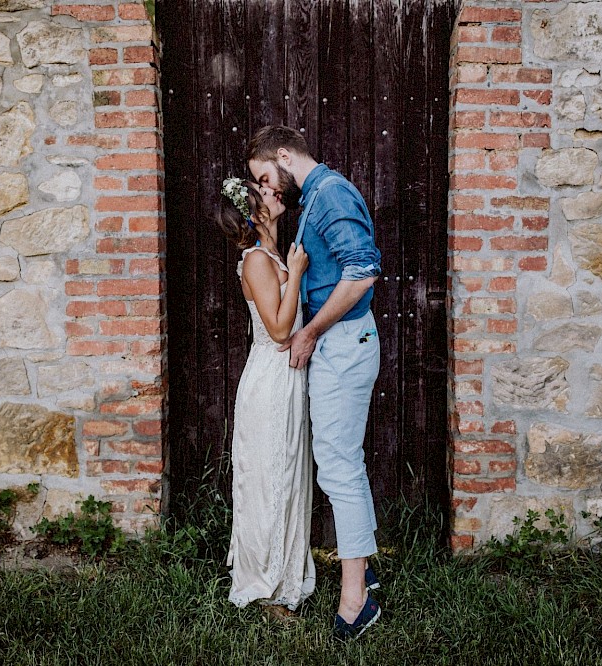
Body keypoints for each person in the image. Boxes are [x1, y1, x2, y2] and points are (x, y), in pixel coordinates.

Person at [247, 125, 383, 640]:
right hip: (336, 345)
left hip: (343, 344)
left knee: (340, 467)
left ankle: (357, 601)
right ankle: (363, 570)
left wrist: (309, 332)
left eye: (266, 175)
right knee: (343, 461)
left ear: (283, 155)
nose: (269, 188)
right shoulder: (316, 199)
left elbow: (364, 272)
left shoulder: (331, 193)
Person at [216, 176, 316, 618]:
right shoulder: (257, 260)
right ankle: (266, 587)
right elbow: (278, 330)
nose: (275, 191)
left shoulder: (275, 253)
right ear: (254, 211)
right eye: (263, 189)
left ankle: (287, 576)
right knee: (268, 479)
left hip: (288, 378)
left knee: (290, 475)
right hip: (270, 379)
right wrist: (295, 274)